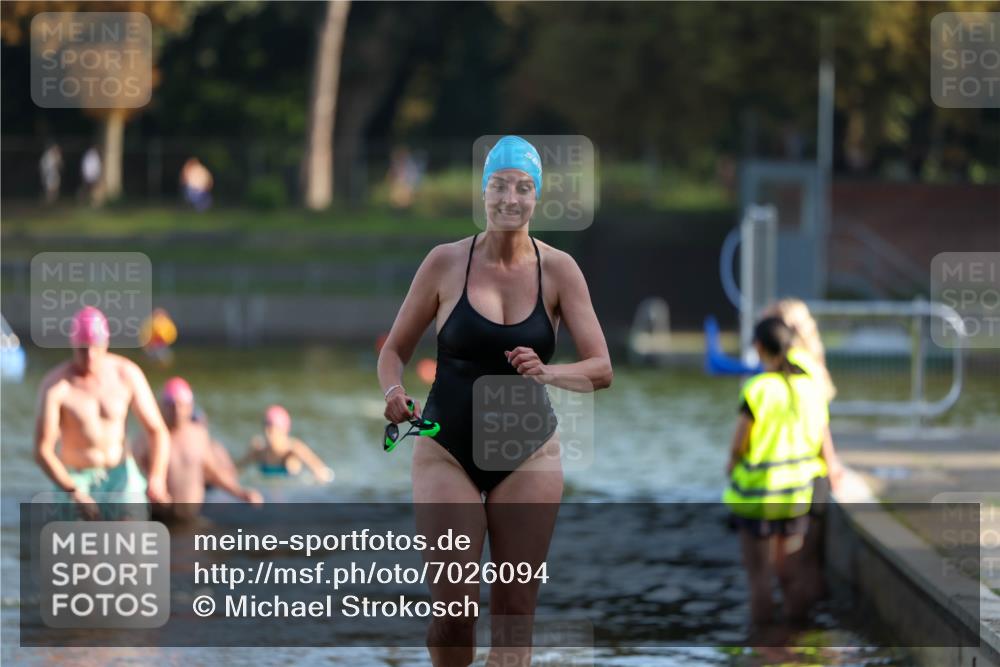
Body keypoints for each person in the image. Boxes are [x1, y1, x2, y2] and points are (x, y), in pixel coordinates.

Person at [377, 135, 612, 666]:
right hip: (446, 449)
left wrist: (549, 372)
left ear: (537, 198)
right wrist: (393, 392)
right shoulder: (444, 263)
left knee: (514, 612)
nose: (511, 198)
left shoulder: (559, 270)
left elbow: (601, 369)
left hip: (529, 453)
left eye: (523, 188)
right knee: (454, 615)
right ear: (483, 193)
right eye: (500, 185)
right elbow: (393, 350)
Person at [723, 316, 838, 628]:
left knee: (760, 579)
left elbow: (738, 445)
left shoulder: (758, 389)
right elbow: (821, 440)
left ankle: (762, 649)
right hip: (796, 496)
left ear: (759, 347)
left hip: (757, 498)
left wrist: (730, 466)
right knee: (790, 574)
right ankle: (796, 642)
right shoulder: (811, 388)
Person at [34, 306, 170, 519]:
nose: (89, 355)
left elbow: (157, 430)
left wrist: (157, 477)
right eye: (82, 349)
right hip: (76, 478)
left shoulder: (126, 374)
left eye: (95, 347)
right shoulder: (56, 386)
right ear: (73, 345)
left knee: (132, 539)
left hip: (120, 473)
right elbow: (43, 450)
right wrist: (73, 491)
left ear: (105, 342)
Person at [135, 377, 262, 522]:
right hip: (157, 518)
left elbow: (213, 472)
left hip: (190, 517)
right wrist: (151, 489)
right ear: (161, 406)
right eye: (171, 405)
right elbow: (130, 475)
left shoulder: (198, 435)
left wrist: (241, 493)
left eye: (181, 405)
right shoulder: (149, 436)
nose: (176, 411)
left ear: (190, 406)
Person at [238, 405, 333, 481]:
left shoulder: (293, 449)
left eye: (271, 430)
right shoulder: (258, 451)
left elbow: (322, 473)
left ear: (283, 431)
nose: (266, 433)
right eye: (264, 428)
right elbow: (236, 472)